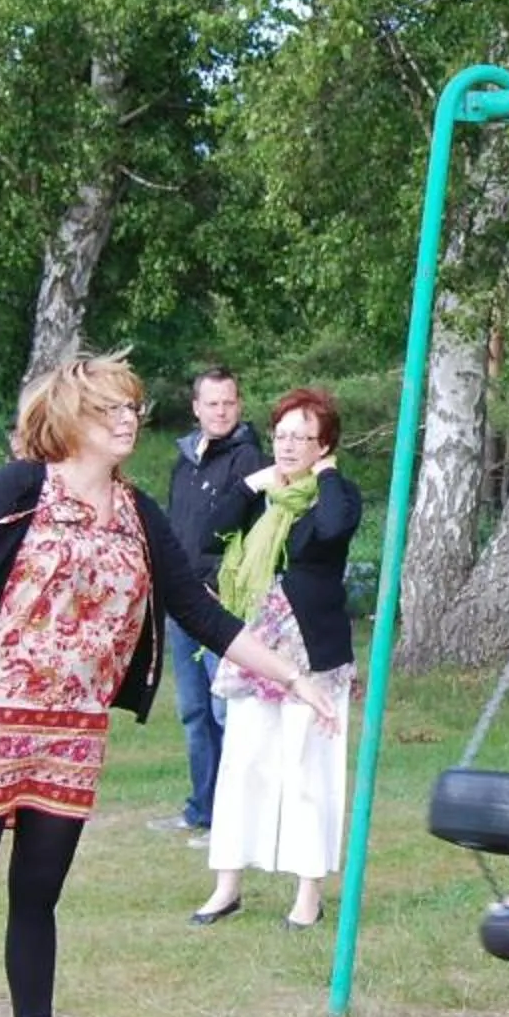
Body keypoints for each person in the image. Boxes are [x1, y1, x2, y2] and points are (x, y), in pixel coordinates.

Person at [0, 356, 337, 1017]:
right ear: (69, 418)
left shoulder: (136, 510)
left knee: (38, 896)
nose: (129, 420)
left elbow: (199, 611)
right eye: (110, 408)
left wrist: (294, 677)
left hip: (74, 732)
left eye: (133, 406)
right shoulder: (19, 487)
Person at [194, 386, 363, 931]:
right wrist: (250, 484)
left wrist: (327, 475)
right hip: (257, 646)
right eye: (282, 435)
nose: (288, 446)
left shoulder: (338, 495)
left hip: (312, 650)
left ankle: (308, 892)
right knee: (243, 763)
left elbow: (332, 529)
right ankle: (227, 885)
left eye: (302, 438)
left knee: (307, 768)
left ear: (323, 446)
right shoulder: (263, 493)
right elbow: (207, 532)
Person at [148, 364, 265, 843]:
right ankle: (203, 809)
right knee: (194, 711)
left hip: (221, 604)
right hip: (181, 604)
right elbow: (175, 528)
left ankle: (238, 819)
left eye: (228, 403)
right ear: (196, 408)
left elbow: (256, 530)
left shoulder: (248, 458)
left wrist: (220, 582)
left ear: (239, 406)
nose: (221, 412)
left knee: (226, 711)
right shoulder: (185, 460)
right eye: (212, 403)